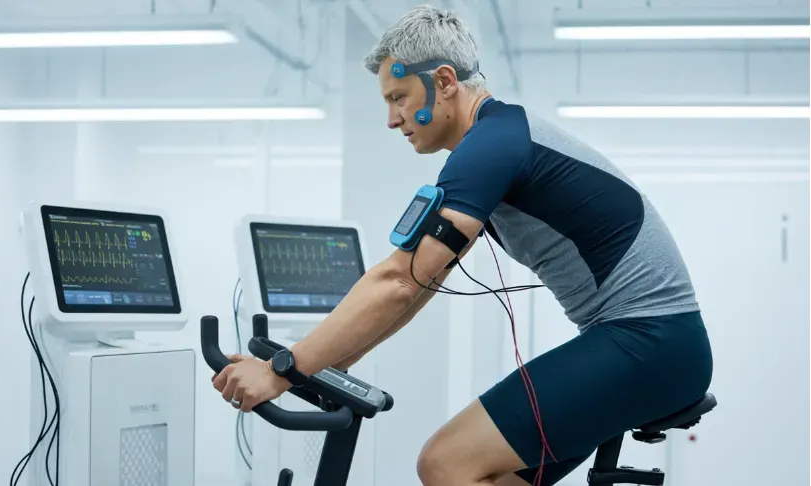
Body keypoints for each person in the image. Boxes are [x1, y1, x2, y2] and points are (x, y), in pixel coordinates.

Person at [212, 5, 713, 486]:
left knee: (444, 464)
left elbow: (398, 280)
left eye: (399, 97)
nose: (392, 118)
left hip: (650, 344)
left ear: (445, 83)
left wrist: (285, 369)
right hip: (655, 345)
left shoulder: (493, 144)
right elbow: (427, 279)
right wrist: (332, 362)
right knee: (491, 476)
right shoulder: (499, 141)